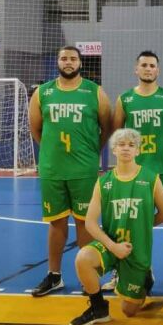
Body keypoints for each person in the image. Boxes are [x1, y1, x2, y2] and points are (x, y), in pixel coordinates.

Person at [28, 46, 112, 297]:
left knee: (84, 223)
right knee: (56, 223)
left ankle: (88, 276)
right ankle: (54, 276)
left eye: (73, 58)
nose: (68, 62)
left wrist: (89, 152)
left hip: (84, 169)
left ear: (80, 63)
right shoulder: (43, 93)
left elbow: (106, 128)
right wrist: (53, 152)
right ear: (58, 62)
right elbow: (36, 129)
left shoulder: (94, 92)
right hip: (53, 169)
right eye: (64, 58)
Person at [69, 128, 163, 325]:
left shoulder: (151, 178)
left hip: (136, 251)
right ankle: (98, 308)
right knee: (83, 258)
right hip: (111, 245)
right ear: (114, 150)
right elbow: (90, 222)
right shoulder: (104, 182)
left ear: (138, 151)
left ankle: (145, 279)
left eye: (131, 145)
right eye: (121, 144)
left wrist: (143, 224)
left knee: (129, 311)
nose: (126, 148)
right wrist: (112, 245)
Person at [108, 50, 163, 291]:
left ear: (158, 70)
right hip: (134, 171)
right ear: (136, 69)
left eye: (152, 65)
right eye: (144, 65)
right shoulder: (126, 99)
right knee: (129, 218)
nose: (148, 69)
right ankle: (128, 269)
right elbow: (117, 132)